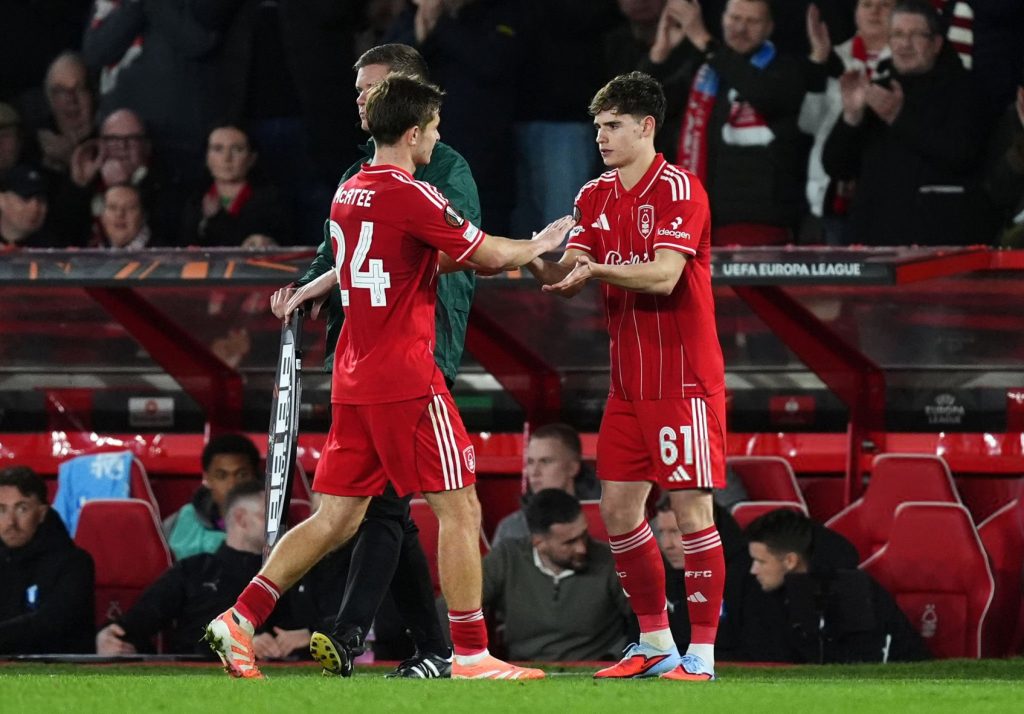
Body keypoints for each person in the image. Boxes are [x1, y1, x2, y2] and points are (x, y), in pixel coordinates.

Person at [204, 73, 572, 680]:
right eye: (430, 129)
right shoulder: (414, 194)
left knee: (334, 519)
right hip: (408, 381)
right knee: (459, 508)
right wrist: (540, 242)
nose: (435, 140)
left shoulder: (348, 194)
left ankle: (239, 619)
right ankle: (474, 654)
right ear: (410, 132)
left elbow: (373, 265)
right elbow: (485, 254)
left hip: (354, 377)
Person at [272, 43, 481, 680]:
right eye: (357, 90)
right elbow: (339, 248)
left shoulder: (443, 165)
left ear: (407, 96)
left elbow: (458, 251)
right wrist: (307, 285)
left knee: (386, 506)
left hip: (418, 350)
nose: (361, 100)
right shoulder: (359, 174)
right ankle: (439, 650)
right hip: (365, 355)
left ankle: (361, 632)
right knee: (389, 507)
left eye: (372, 89)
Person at [527, 71, 726, 681]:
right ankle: (656, 642)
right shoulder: (593, 196)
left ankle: (703, 655)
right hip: (629, 383)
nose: (602, 137)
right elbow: (569, 278)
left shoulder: (680, 189)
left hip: (684, 378)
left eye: (612, 126)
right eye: (596, 127)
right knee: (616, 509)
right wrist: (531, 255)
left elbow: (664, 276)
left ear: (646, 126)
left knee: (693, 513)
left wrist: (595, 269)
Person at [821, 0, 987, 245]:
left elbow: (962, 154)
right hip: (871, 244)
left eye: (915, 35)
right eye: (897, 34)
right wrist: (851, 117)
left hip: (935, 245)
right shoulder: (877, 88)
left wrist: (898, 118)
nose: (904, 44)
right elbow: (837, 167)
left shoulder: (965, 89)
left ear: (936, 44)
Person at [96, 482, 291, 657]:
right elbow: (138, 621)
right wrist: (108, 636)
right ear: (241, 519)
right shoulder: (193, 570)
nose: (282, 525)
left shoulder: (289, 573)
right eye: (271, 515)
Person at [739, 508, 931, 663]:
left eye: (761, 562)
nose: (753, 570)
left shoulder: (852, 594)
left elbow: (861, 670)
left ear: (790, 561)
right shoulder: (766, 590)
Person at [479, 489, 631, 661]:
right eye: (570, 542)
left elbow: (643, 617)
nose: (582, 548)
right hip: (525, 671)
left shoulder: (610, 561)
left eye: (583, 535)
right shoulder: (506, 559)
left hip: (596, 670)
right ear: (539, 543)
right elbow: (454, 606)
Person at [799, 0, 893, 245]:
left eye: (885, 5)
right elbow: (808, 124)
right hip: (834, 194)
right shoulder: (834, 57)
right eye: (867, 4)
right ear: (855, 13)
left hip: (887, 192)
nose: (874, 11)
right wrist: (818, 57)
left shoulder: (904, 62)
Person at [0, 466, 95, 654]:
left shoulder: (75, 564)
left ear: (42, 513)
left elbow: (50, 624)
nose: (11, 522)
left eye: (22, 509)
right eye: (1, 510)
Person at [179, 124, 289, 248]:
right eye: (218, 149)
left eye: (237, 149)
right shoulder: (194, 198)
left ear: (252, 158)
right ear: (207, 158)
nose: (227, 158)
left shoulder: (271, 200)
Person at [491, 422, 600, 547]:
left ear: (572, 468)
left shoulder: (605, 519)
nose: (534, 472)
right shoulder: (511, 528)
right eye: (531, 462)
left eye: (545, 461)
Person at [162, 434, 260, 560]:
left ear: (255, 477)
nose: (232, 485)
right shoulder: (179, 521)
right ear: (207, 479)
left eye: (242, 475)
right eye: (221, 476)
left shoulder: (272, 523)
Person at [0, 165, 54, 249]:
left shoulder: (52, 251)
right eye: (25, 198)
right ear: (2, 200)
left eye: (41, 200)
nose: (35, 208)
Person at [96, 184, 149, 249]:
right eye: (112, 207)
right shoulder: (90, 251)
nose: (120, 214)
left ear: (143, 216)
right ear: (102, 217)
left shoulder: (161, 254)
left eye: (129, 207)